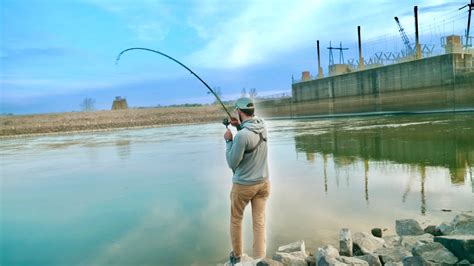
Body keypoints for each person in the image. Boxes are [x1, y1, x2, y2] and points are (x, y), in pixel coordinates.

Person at [223, 97, 270, 264]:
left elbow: (232, 162)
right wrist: (238, 126)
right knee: (259, 220)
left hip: (243, 185)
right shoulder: (263, 125)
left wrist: (229, 140)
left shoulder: (241, 136)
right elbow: (250, 134)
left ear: (240, 112)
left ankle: (237, 257)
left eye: (237, 111)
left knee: (236, 219)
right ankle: (260, 259)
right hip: (263, 184)